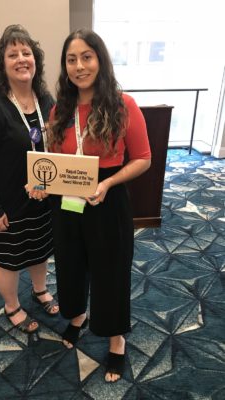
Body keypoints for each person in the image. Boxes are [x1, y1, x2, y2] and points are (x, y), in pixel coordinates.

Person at [48, 28, 151, 382]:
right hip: (69, 201)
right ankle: (77, 315)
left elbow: (143, 158)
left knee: (111, 271)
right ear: (65, 66)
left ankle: (116, 337)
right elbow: (52, 157)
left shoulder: (124, 105)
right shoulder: (59, 109)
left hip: (107, 199)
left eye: (86, 57)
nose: (79, 66)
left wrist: (108, 182)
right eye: (72, 59)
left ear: (100, 60)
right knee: (70, 263)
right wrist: (40, 184)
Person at [0, 24, 59, 335]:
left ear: (36, 61)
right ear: (2, 64)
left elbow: (54, 145)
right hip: (7, 203)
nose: (21, 59)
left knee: (39, 249)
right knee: (9, 258)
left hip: (42, 197)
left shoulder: (45, 100)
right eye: (12, 54)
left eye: (27, 53)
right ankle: (11, 306)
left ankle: (39, 290)